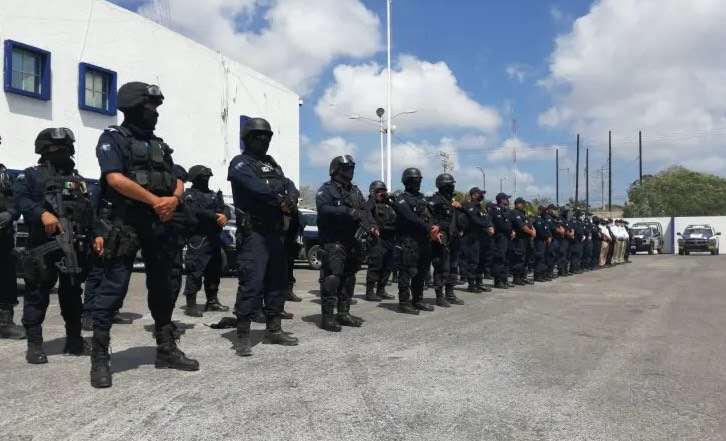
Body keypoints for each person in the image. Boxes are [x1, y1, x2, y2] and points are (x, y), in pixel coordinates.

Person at [88, 82, 198, 388]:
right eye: (150, 107)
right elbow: (115, 179)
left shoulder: (159, 145)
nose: (155, 113)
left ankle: (166, 348)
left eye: (156, 108)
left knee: (164, 286)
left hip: (160, 223)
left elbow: (177, 178)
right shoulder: (113, 138)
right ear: (134, 108)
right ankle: (99, 357)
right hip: (127, 223)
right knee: (114, 287)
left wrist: (173, 199)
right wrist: (155, 201)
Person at [15, 128, 94, 363]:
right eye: (54, 148)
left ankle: (74, 339)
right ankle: (34, 344)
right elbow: (21, 200)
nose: (61, 152)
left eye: (64, 148)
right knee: (37, 293)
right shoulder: (30, 175)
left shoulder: (78, 180)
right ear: (43, 150)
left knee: (72, 294)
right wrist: (42, 214)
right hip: (43, 245)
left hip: (73, 246)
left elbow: (88, 209)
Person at [228, 117, 299, 356]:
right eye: (259, 136)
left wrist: (291, 198)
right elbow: (256, 188)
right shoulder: (240, 163)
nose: (264, 140)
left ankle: (273, 330)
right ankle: (242, 335)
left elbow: (289, 184)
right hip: (254, 233)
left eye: (267, 136)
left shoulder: (271, 164)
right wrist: (280, 200)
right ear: (248, 139)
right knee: (252, 282)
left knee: (277, 282)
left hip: (275, 233)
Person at [316, 155, 374, 332]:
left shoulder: (355, 191)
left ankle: (343, 313)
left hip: (352, 241)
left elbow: (365, 211)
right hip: (334, 241)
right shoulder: (326, 189)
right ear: (336, 170)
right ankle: (328, 317)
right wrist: (348, 211)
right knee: (332, 277)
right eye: (346, 168)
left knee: (349, 278)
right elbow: (323, 208)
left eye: (351, 168)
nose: (350, 171)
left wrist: (371, 225)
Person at [180, 165, 231, 317]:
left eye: (208, 177)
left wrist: (225, 215)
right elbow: (195, 211)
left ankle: (212, 301)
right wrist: (216, 216)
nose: (206, 180)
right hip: (198, 238)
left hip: (214, 238)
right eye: (203, 177)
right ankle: (191, 305)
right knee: (195, 271)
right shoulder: (189, 195)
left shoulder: (214, 195)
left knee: (214, 271)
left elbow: (225, 208)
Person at [393, 168, 435, 314]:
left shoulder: (422, 198)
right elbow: (411, 218)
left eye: (419, 180)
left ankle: (418, 300)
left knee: (421, 273)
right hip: (408, 241)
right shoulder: (401, 199)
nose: (418, 182)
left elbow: (431, 215)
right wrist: (429, 228)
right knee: (406, 272)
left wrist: (435, 227)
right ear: (407, 181)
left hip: (423, 241)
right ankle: (404, 303)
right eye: (415, 180)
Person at [429, 173, 465, 306]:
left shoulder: (452, 202)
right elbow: (428, 217)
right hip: (441, 239)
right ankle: (439, 296)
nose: (452, 187)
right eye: (450, 185)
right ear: (443, 186)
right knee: (441, 267)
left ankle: (450, 294)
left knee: (453, 267)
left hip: (454, 238)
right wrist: (434, 229)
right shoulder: (435, 200)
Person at [0, 152, 25, 339]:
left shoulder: (3, 174)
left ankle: (4, 323)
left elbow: (15, 200)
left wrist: (10, 213)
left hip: (3, 236)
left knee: (6, 279)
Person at [364, 180, 397, 302]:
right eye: (379, 191)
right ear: (373, 192)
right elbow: (366, 214)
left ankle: (381, 290)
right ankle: (370, 292)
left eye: (384, 191)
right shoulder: (370, 203)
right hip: (377, 238)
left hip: (390, 238)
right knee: (375, 264)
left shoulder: (389, 204)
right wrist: (372, 227)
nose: (382, 193)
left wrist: (392, 200)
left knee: (388, 265)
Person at [460, 187, 493, 292]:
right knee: (473, 261)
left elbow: (488, 219)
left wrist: (490, 226)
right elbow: (475, 220)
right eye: (480, 194)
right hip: (471, 237)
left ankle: (479, 283)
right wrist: (486, 226)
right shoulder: (468, 206)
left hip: (482, 238)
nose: (482, 196)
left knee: (482, 261)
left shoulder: (481, 208)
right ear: (474, 195)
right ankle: (471, 284)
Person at [488, 193, 513, 289]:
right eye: (506, 198)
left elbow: (509, 224)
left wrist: (512, 231)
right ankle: (498, 281)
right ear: (501, 199)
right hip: (499, 237)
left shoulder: (506, 210)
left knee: (506, 259)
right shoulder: (494, 210)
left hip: (507, 237)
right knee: (499, 258)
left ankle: (504, 279)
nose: (507, 200)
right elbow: (494, 223)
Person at [509, 197, 536, 285]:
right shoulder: (514, 212)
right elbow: (521, 226)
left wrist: (533, 230)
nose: (524, 205)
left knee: (526, 258)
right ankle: (516, 278)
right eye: (522, 203)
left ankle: (522, 277)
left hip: (526, 239)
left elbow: (529, 224)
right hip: (519, 239)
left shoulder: (523, 213)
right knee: (519, 258)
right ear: (517, 204)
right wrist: (531, 232)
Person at [532, 206, 552, 282]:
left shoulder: (544, 219)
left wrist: (549, 236)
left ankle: (543, 274)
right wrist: (546, 237)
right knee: (539, 258)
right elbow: (540, 230)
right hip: (539, 241)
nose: (545, 212)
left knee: (544, 258)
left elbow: (547, 230)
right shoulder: (538, 219)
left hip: (545, 241)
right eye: (543, 210)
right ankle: (538, 275)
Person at [569, 210, 586, 274]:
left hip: (579, 241)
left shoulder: (579, 222)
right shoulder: (574, 222)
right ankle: (574, 269)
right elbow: (574, 231)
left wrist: (583, 236)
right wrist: (575, 237)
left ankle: (576, 268)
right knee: (575, 256)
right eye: (581, 215)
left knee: (578, 255)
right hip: (576, 241)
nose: (582, 216)